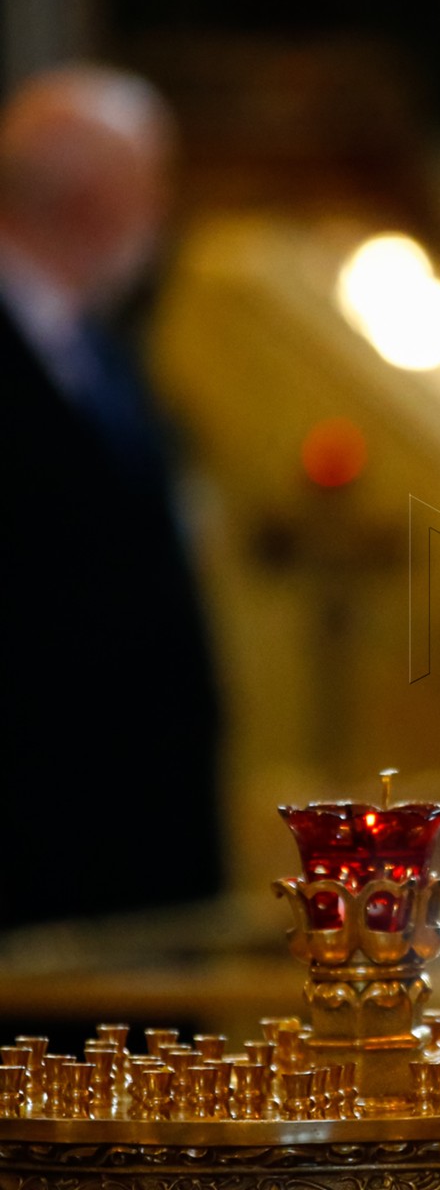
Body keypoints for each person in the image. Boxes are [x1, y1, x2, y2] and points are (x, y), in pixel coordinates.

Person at [0, 65, 221, 927]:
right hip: (38, 844)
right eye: (154, 185)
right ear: (99, 197)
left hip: (116, 839)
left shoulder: (92, 342)